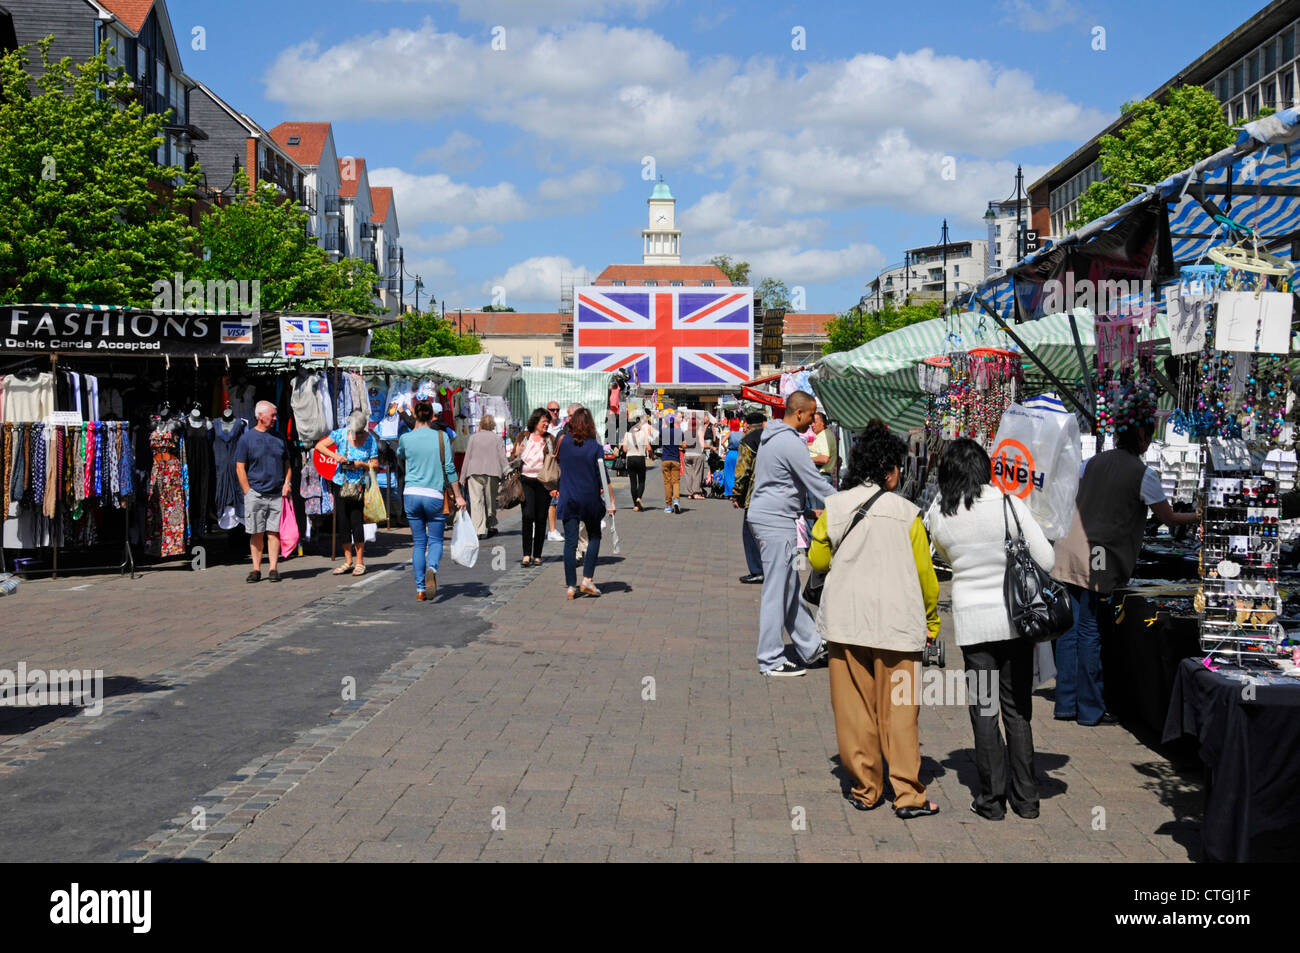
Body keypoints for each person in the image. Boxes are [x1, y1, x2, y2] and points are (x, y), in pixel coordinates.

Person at [809, 424, 940, 818]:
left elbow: (817, 560)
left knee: (854, 709)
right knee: (900, 711)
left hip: (847, 624)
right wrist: (932, 621)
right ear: (889, 470)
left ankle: (866, 788)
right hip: (899, 627)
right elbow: (926, 577)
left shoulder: (834, 507)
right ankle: (909, 795)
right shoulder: (908, 513)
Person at [926, 438, 1054, 821]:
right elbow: (1046, 557)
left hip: (972, 625)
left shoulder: (941, 512)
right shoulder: (1008, 503)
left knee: (984, 710)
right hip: (1015, 621)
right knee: (1017, 711)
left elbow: (941, 553)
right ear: (985, 466)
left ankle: (991, 801)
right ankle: (1027, 799)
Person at [1051, 415, 1200, 725]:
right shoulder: (1143, 474)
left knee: (1070, 629)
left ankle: (1066, 704)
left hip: (1069, 547)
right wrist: (1200, 516)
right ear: (1142, 437)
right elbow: (1169, 517)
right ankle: (1090, 709)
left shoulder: (1091, 463)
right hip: (1098, 553)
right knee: (1089, 627)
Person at [746, 391, 836, 676]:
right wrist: (852, 504)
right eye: (810, 416)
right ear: (799, 413)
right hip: (775, 522)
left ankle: (810, 646)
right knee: (777, 590)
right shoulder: (789, 443)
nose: (812, 422)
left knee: (788, 588)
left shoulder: (772, 437)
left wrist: (808, 512)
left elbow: (779, 483)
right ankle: (770, 659)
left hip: (770, 516)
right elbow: (816, 484)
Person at [396, 399, 465, 601]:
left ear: (416, 416)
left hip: (411, 494)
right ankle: (432, 568)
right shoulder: (442, 437)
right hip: (434, 495)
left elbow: (401, 455)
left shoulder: (406, 438)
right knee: (435, 540)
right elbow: (450, 469)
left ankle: (420, 590)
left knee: (418, 542)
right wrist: (459, 496)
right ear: (433, 416)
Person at [555, 407, 615, 599]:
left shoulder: (563, 444)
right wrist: (611, 501)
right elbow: (602, 476)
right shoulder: (595, 447)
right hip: (589, 499)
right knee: (594, 536)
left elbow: (557, 465)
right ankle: (587, 578)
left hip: (568, 497)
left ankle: (571, 586)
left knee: (570, 542)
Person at [315, 410, 380, 577]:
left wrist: (361, 465)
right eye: (354, 432)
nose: (356, 436)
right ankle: (347, 560)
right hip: (340, 483)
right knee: (343, 522)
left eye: (359, 433)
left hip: (359, 485)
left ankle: (360, 561)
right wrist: (335, 456)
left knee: (356, 522)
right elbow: (320, 446)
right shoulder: (341, 434)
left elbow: (375, 464)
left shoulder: (370, 439)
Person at [235, 400, 291, 583]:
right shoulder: (247, 439)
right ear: (260, 416)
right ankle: (256, 569)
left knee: (273, 532)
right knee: (256, 532)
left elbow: (287, 464)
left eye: (275, 415)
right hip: (256, 493)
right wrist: (247, 491)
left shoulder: (279, 437)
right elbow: (240, 467)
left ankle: (273, 568)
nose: (275, 418)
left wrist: (287, 482)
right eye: (272, 415)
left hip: (276, 493)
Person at [512, 408, 556, 567]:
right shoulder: (524, 437)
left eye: (548, 422)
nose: (547, 424)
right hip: (526, 481)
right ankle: (526, 554)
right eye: (544, 421)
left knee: (541, 518)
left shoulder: (550, 439)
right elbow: (512, 459)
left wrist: (555, 485)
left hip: (543, 482)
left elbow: (556, 462)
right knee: (528, 515)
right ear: (536, 421)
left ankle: (537, 554)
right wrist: (516, 453)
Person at [731, 411, 766, 583]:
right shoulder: (771, 438)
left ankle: (757, 569)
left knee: (749, 532)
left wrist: (736, 494)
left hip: (754, 494)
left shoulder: (748, 440)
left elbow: (742, 471)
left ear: (747, 424)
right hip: (773, 493)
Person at [462, 414, 508, 539]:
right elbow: (502, 457)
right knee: (490, 501)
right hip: (492, 473)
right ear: (493, 425)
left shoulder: (473, 438)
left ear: (480, 424)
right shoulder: (497, 439)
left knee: (476, 502)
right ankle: (490, 526)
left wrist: (462, 477)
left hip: (474, 473)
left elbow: (467, 458)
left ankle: (478, 530)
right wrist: (507, 470)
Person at [622, 415, 652, 511]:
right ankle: (639, 497)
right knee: (642, 481)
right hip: (640, 458)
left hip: (630, 459)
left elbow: (625, 449)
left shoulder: (627, 434)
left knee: (633, 483)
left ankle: (635, 505)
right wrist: (652, 454)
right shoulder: (643, 434)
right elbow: (649, 448)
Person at [658, 411, 683, 513]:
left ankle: (668, 506)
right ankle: (676, 500)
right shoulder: (679, 432)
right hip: (675, 458)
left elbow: (659, 439)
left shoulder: (663, 431)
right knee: (676, 482)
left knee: (667, 483)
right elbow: (683, 444)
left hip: (665, 459)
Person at [680, 415, 707, 500]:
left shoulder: (686, 432)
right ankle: (696, 493)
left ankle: (689, 493)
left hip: (687, 454)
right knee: (697, 473)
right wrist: (711, 447)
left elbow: (683, 443)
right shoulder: (699, 431)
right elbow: (702, 445)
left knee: (688, 474)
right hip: (697, 454)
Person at [810, 412, 838, 488]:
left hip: (821, 477)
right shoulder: (824, 435)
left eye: (814, 422)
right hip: (821, 477)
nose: (812, 425)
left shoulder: (824, 436)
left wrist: (806, 459)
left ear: (822, 423)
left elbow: (824, 459)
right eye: (811, 422)